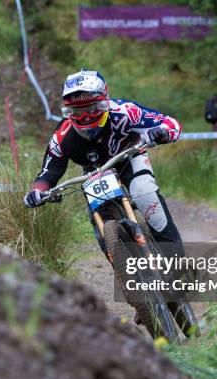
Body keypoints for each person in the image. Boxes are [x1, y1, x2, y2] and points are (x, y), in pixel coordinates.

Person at [23, 70, 194, 333]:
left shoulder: (125, 112)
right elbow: (49, 171)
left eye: (93, 108)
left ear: (105, 102)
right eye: (77, 112)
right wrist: (38, 191)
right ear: (67, 111)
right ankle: (137, 295)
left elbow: (170, 123)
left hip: (129, 157)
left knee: (145, 195)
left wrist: (162, 133)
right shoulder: (62, 136)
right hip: (94, 174)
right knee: (103, 234)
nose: (87, 117)